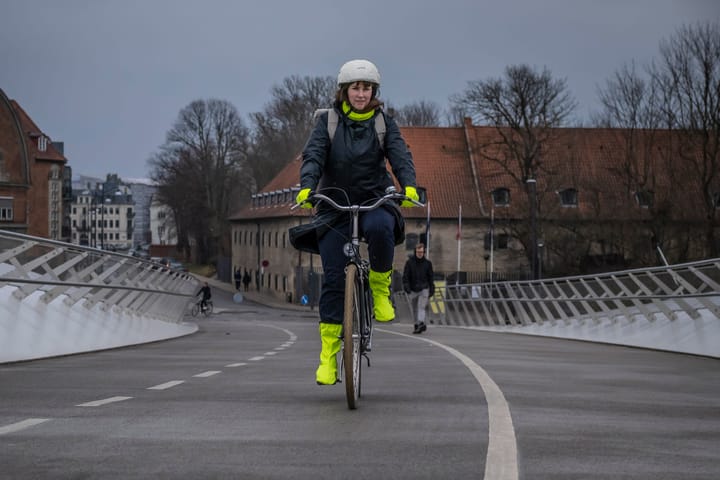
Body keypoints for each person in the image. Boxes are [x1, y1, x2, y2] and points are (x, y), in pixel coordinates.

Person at [292, 59, 418, 385]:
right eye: (355, 87)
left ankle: (378, 291)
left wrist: (409, 184)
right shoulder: (328, 123)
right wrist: (307, 185)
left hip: (373, 198)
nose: (361, 93)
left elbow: (400, 155)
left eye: (366, 88)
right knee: (334, 279)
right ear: (344, 90)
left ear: (374, 91)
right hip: (335, 203)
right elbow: (314, 154)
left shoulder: (383, 124)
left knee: (381, 228)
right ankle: (328, 358)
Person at [402, 243, 435, 334]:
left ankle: (421, 323)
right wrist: (407, 287)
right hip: (412, 289)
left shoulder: (428, 264)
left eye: (421, 252)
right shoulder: (409, 263)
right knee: (414, 308)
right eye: (418, 252)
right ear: (415, 252)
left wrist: (432, 288)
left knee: (421, 306)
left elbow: (431, 277)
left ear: (424, 252)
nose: (420, 254)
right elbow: (405, 276)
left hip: (424, 288)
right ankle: (416, 324)